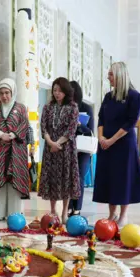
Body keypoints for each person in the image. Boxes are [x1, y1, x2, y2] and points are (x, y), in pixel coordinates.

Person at [92, 62, 140, 227]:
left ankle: (123, 214)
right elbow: (101, 118)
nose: (108, 77)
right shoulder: (108, 97)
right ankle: (111, 213)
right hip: (106, 144)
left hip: (123, 145)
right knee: (109, 178)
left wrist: (111, 140)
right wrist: (101, 137)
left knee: (123, 179)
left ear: (120, 75)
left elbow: (131, 122)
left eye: (111, 74)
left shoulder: (134, 96)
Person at [0, 78, 31, 220]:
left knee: (13, 182)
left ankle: (14, 214)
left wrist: (13, 134)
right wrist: (1, 135)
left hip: (16, 152)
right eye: (2, 93)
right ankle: (0, 214)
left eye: (7, 93)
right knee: (0, 182)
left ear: (13, 92)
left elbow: (24, 125)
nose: (4, 96)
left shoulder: (21, 108)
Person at [38, 77, 81, 224]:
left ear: (66, 92)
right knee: (52, 178)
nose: (57, 94)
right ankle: (53, 210)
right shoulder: (47, 107)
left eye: (60, 91)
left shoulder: (73, 107)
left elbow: (72, 129)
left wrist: (58, 143)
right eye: (55, 90)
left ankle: (64, 212)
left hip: (66, 148)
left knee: (65, 178)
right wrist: (51, 143)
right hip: (50, 148)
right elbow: (43, 127)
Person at [68, 80, 95, 217]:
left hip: (83, 148)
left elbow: (91, 130)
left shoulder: (86, 107)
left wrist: (79, 124)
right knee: (68, 176)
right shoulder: (65, 107)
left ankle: (77, 208)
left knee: (79, 177)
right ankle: (68, 207)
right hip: (68, 146)